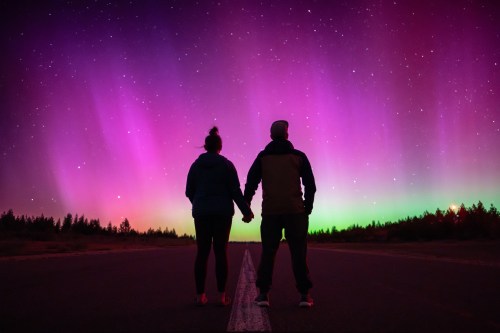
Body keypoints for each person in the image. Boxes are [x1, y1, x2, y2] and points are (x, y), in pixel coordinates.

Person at [244, 120, 316, 308]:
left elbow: (251, 182)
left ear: (270, 136)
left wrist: (246, 206)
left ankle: (263, 294)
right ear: (287, 135)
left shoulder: (263, 157)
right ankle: (304, 295)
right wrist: (307, 207)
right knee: (298, 253)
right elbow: (310, 184)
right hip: (295, 212)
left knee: (268, 253)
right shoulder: (298, 156)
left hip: (271, 212)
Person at [186, 126, 254, 306]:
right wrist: (246, 211)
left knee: (202, 252)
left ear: (206, 146)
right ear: (219, 147)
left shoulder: (195, 166)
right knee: (220, 252)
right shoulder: (226, 165)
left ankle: (200, 296)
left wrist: (199, 203)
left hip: (201, 213)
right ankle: (222, 297)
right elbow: (235, 191)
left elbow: (188, 191)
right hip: (222, 213)